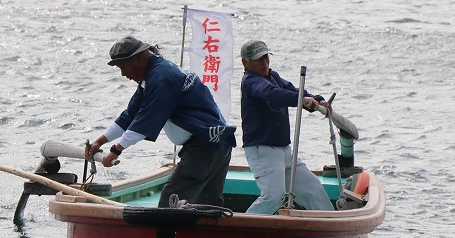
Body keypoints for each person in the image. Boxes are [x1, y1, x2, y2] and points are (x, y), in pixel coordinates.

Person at [85, 35, 236, 207]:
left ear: (138, 59)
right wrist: (100, 141)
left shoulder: (162, 78)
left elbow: (146, 121)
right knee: (208, 204)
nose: (123, 74)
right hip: (218, 143)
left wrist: (116, 150)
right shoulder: (152, 77)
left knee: (170, 202)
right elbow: (130, 115)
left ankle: (170, 228)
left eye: (123, 66)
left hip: (204, 146)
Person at [239, 39, 335, 214]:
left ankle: (331, 226)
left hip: (285, 151)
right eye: (259, 59)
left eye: (266, 57)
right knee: (273, 196)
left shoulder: (273, 77)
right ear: (245, 63)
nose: (265, 62)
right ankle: (240, 228)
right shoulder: (250, 82)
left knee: (314, 191)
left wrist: (317, 99)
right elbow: (272, 94)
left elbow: (293, 91)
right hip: (263, 152)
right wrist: (300, 100)